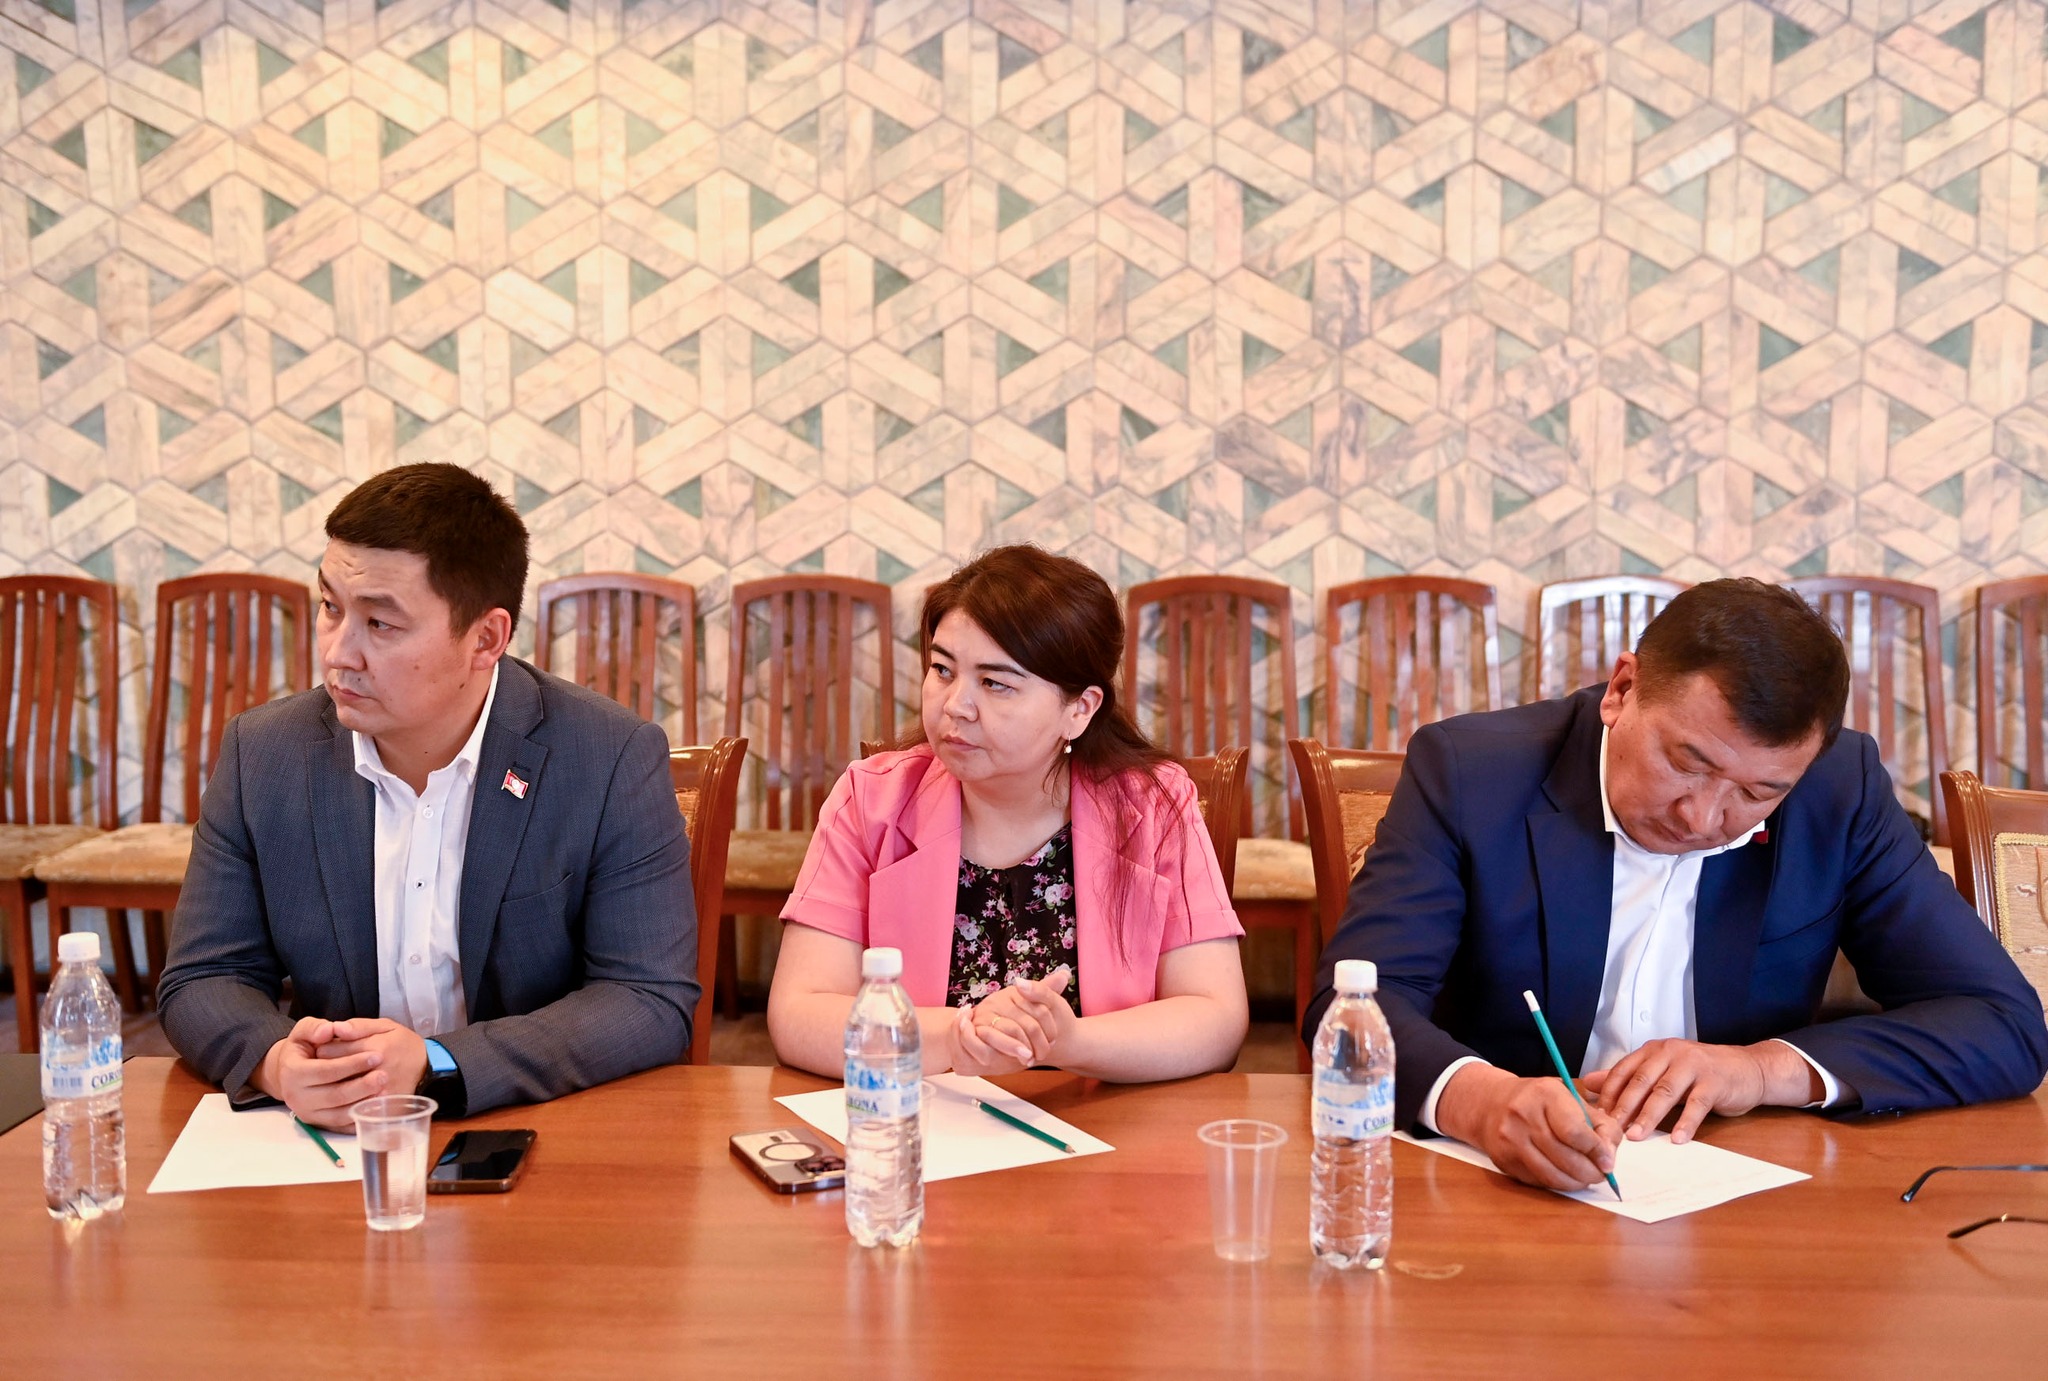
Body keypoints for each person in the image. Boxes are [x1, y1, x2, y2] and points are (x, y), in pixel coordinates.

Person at [1307, 578, 2048, 1192]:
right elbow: (1350, 1011)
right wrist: (1483, 1102)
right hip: (1496, 1188)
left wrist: (1760, 1069)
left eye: (1756, 793)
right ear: (1622, 690)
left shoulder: (1838, 790)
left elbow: (2002, 1022)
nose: (1703, 818)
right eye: (1687, 763)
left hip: (1739, 1187)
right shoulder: (1472, 771)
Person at [157, 464, 698, 1128]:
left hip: (529, 1127)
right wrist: (278, 1063)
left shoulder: (606, 756)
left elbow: (647, 996)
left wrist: (439, 1061)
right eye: (331, 608)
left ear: (485, 639)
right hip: (336, 1139)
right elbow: (203, 976)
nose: (339, 654)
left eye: (381, 623)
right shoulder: (265, 755)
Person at [767, 545, 1248, 1081]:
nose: (955, 705)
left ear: (1079, 709)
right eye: (942, 670)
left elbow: (1216, 1016)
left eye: (995, 683)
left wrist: (1069, 1042)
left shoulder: (1153, 806)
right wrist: (960, 1037)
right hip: (925, 1117)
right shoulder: (871, 799)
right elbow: (799, 1014)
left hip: (1099, 1120)